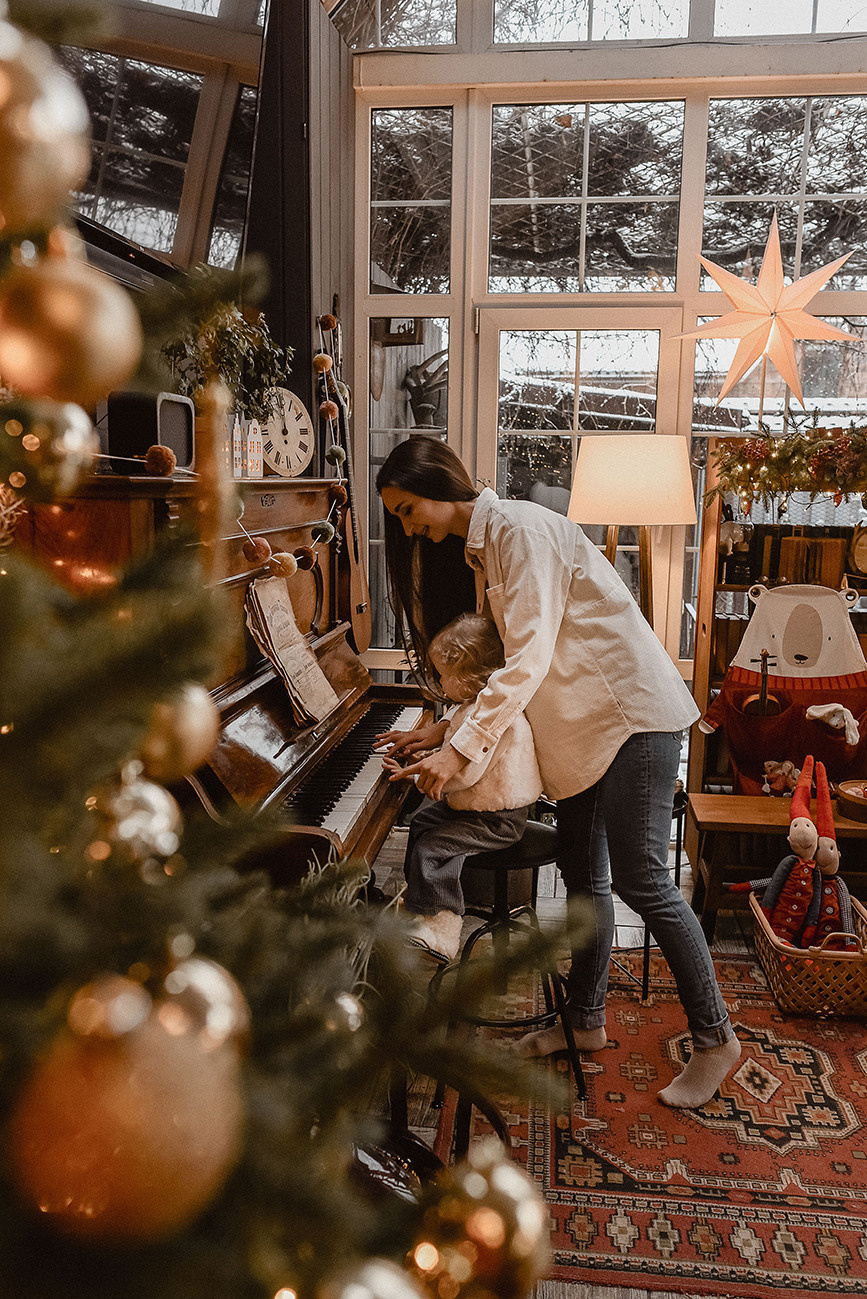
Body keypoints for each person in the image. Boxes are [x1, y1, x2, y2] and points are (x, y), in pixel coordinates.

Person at [375, 434, 741, 1109]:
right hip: (586, 735)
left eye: (405, 509)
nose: (408, 526)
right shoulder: (485, 554)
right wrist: (440, 728)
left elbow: (527, 659)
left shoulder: (516, 529)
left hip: (629, 718)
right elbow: (495, 668)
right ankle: (584, 1017)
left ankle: (716, 1038)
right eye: (398, 517)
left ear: (438, 483)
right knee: (584, 876)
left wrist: (459, 751)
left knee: (643, 881)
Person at [382, 611, 543, 964]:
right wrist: (424, 753)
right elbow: (454, 731)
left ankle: (440, 932)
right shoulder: (476, 706)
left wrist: (412, 774)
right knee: (422, 824)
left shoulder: (491, 720)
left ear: (468, 680)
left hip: (498, 818)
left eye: (443, 675)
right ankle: (419, 905)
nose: (440, 683)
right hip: (479, 807)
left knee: (432, 849)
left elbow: (463, 774)